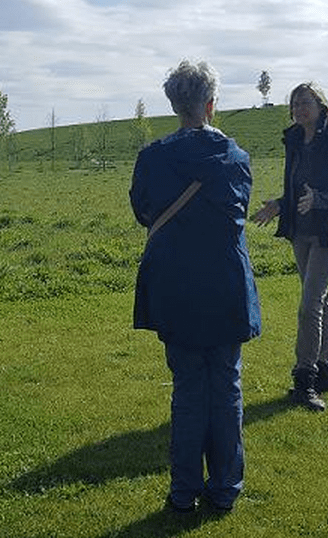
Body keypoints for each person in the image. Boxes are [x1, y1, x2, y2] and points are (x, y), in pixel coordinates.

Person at [130, 59, 261, 513]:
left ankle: (184, 491)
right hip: (224, 282)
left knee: (187, 388)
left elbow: (143, 212)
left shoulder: (152, 158)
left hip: (176, 284)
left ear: (174, 105)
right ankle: (225, 488)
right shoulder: (236, 158)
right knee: (226, 386)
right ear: (211, 103)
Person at [251, 82, 328, 411]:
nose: (299, 109)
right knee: (321, 300)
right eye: (295, 104)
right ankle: (327, 368)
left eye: (305, 102)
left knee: (310, 305)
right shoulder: (294, 140)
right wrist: (279, 205)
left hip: (327, 232)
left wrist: (319, 200)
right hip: (300, 232)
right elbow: (295, 189)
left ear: (321, 105)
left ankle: (304, 379)